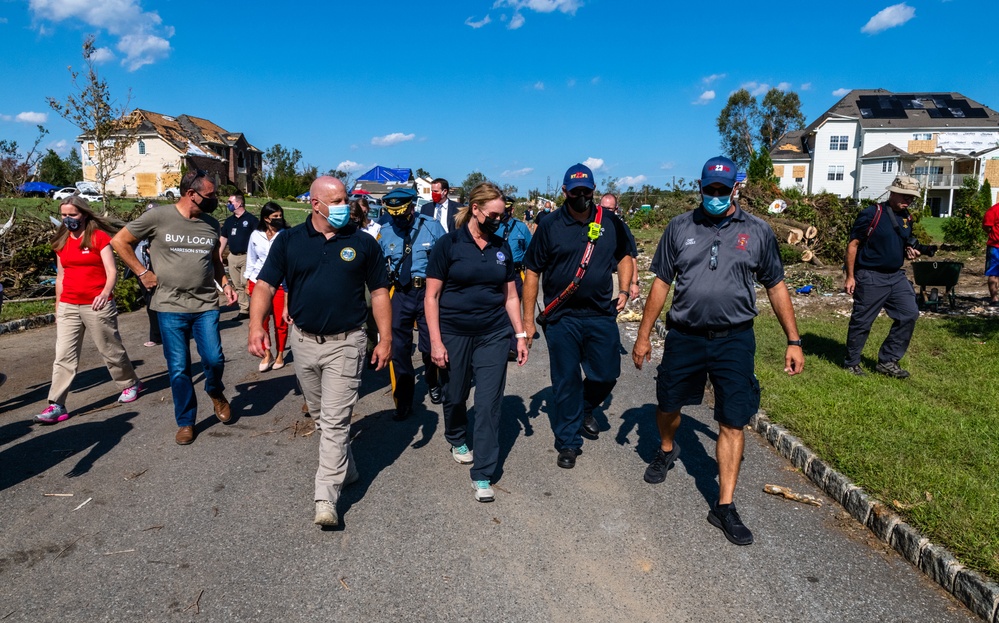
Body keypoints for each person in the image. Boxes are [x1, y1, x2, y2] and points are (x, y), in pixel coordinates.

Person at [632, 156, 804, 546]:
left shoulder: (758, 232)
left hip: (735, 339)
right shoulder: (679, 227)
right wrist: (643, 336)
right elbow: (661, 283)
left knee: (733, 419)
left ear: (734, 189)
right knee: (668, 404)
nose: (714, 196)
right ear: (700, 186)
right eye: (708, 189)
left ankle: (723, 506)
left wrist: (793, 340)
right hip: (684, 336)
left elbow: (776, 285)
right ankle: (666, 447)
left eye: (721, 191)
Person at [249, 176, 392, 528]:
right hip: (303, 342)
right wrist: (255, 326)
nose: (347, 205)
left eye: (347, 199)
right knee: (320, 416)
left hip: (347, 342)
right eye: (339, 200)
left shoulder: (363, 243)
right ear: (315, 204)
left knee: (334, 421)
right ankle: (348, 467)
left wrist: (386, 339)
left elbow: (378, 293)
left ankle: (325, 499)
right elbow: (265, 284)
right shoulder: (289, 240)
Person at [112, 169, 238, 445]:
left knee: (214, 359)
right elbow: (119, 241)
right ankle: (185, 421)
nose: (215, 198)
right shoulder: (159, 217)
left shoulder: (210, 224)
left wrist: (225, 283)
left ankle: (215, 392)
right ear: (191, 194)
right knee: (179, 368)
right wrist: (142, 272)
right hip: (169, 306)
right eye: (211, 194)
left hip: (205, 304)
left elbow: (214, 261)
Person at [522, 163, 634, 469]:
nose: (581, 196)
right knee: (567, 379)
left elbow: (626, 254)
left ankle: (584, 407)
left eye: (586, 191)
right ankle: (568, 441)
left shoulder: (610, 222)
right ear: (564, 191)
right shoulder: (549, 224)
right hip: (562, 317)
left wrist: (624, 289)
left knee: (606, 373)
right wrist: (528, 320)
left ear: (593, 190)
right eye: (575, 192)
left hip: (600, 314)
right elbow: (532, 271)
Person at [425, 182, 529, 502]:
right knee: (454, 394)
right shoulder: (449, 245)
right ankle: (456, 435)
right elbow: (432, 296)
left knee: (488, 403)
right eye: (494, 215)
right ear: (476, 209)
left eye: (503, 215)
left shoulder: (502, 247)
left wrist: (520, 334)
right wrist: (436, 342)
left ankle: (483, 473)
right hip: (454, 331)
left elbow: (510, 295)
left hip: (493, 334)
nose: (499, 220)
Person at [35, 195, 143, 424]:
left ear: (83, 214)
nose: (67, 219)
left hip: (97, 304)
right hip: (69, 305)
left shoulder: (98, 237)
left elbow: (111, 271)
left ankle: (130, 384)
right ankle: (56, 404)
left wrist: (104, 294)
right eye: (64, 215)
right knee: (63, 356)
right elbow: (61, 276)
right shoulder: (61, 241)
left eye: (72, 215)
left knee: (109, 349)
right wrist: (58, 306)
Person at [844, 175, 924, 378]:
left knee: (909, 313)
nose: (909, 200)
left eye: (912, 197)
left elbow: (902, 242)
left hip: (896, 276)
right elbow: (853, 245)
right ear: (893, 192)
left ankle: (888, 361)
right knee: (862, 321)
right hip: (870, 275)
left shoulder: (907, 218)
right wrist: (850, 276)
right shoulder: (872, 214)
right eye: (905, 195)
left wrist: (909, 250)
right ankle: (851, 363)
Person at [379, 187, 447, 420]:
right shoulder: (385, 231)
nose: (398, 218)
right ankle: (404, 399)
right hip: (399, 293)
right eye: (393, 213)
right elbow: (379, 266)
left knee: (430, 346)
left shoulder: (432, 226)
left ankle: (433, 381)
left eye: (402, 212)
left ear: (412, 207)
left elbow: (447, 260)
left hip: (428, 294)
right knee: (398, 348)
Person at [245, 202, 289, 372]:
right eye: (274, 217)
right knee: (262, 321)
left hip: (280, 283)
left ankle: (280, 354)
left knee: (280, 321)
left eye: (280, 216)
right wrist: (249, 282)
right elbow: (252, 259)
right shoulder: (256, 235)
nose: (279, 219)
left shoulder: (286, 234)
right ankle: (267, 353)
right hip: (258, 280)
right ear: (266, 218)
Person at [496, 195, 532, 358]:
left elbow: (529, 250)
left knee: (513, 307)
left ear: (511, 209)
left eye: (507, 209)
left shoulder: (520, 228)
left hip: (516, 273)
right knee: (496, 307)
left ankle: (511, 346)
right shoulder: (491, 226)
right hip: (495, 273)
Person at [219, 192, 258, 320]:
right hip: (233, 256)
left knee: (245, 282)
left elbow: (258, 238)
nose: (228, 204)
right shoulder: (229, 221)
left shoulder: (251, 220)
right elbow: (223, 238)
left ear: (239, 203)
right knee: (237, 284)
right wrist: (219, 253)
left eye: (230, 202)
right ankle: (244, 309)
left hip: (247, 256)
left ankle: (257, 308)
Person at [599, 193, 641, 302]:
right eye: (603, 208)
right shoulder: (591, 225)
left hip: (614, 277)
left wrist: (634, 283)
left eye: (609, 209)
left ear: (616, 209)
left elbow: (631, 255)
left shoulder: (621, 228)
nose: (605, 212)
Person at [135, 203, 161, 347]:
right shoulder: (140, 230)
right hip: (143, 271)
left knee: (161, 304)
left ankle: (159, 336)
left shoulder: (165, 230)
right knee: (150, 304)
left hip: (160, 269)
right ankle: (156, 336)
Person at [983, 201, 999, 306]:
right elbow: (986, 226)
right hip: (995, 246)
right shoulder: (993, 210)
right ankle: (994, 299)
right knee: (994, 273)